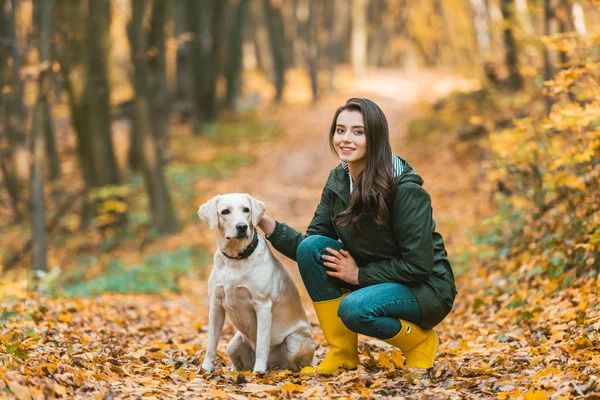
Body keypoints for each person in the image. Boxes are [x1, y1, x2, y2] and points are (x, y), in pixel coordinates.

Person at [257, 98, 456, 374]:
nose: (345, 139)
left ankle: (419, 342)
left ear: (375, 138)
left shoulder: (405, 189)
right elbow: (311, 248)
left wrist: (359, 275)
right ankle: (343, 354)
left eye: (357, 132)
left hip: (426, 288)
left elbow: (419, 265)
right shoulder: (339, 179)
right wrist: (268, 225)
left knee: (355, 309)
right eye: (340, 130)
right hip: (378, 278)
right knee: (312, 249)